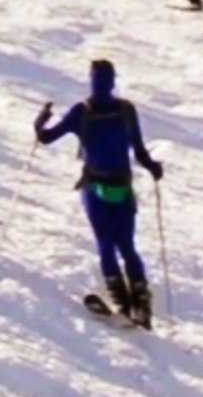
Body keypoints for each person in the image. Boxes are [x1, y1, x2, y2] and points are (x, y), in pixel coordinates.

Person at [34, 59, 165, 327]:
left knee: (106, 244)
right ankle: (141, 301)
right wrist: (152, 167)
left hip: (95, 187)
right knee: (127, 245)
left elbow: (46, 138)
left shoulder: (82, 112)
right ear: (114, 80)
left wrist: (40, 121)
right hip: (123, 188)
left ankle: (121, 301)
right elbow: (139, 151)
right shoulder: (126, 110)